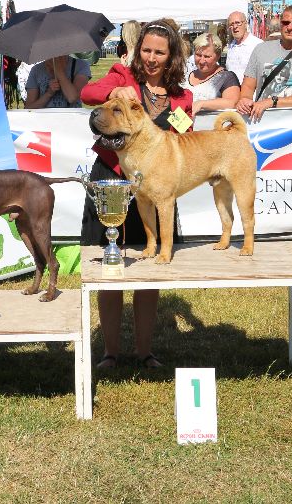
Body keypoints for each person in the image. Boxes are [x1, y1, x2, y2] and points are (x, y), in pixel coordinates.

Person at [80, 19, 193, 370]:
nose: (152, 58)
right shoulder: (121, 76)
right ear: (137, 49)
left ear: (172, 55)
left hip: (156, 191)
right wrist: (116, 94)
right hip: (114, 181)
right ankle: (110, 352)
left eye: (160, 52)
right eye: (146, 50)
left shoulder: (181, 98)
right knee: (110, 268)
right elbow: (86, 95)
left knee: (151, 270)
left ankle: (145, 352)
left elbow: (185, 138)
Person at [237, 5, 292, 123]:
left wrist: (272, 101)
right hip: (259, 122)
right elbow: (248, 85)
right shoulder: (261, 49)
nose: (289, 27)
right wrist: (244, 99)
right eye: (285, 22)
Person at [182, 32, 240, 115]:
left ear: (218, 56)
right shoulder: (186, 75)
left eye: (207, 56)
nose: (202, 61)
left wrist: (202, 104)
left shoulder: (227, 77)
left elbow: (232, 103)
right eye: (198, 55)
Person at [24, 54, 91, 108]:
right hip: (44, 122)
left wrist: (58, 71)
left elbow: (72, 98)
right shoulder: (36, 70)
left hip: (71, 121)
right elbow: (29, 107)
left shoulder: (81, 65)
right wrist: (48, 94)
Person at [222, 11, 262, 82]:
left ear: (245, 24)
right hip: (233, 91)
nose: (235, 27)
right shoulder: (231, 46)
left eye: (238, 23)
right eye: (231, 24)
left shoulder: (258, 45)